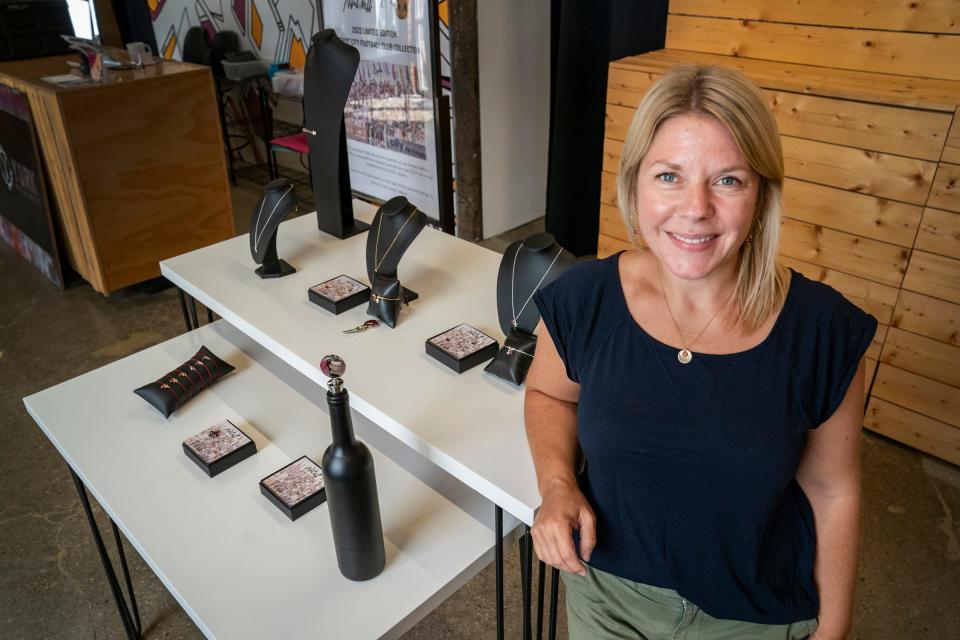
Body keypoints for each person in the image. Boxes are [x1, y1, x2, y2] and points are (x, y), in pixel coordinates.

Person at [525, 65, 876, 640]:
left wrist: (834, 630)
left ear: (761, 195)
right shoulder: (584, 300)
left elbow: (833, 489)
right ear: (634, 183)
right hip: (606, 595)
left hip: (754, 616)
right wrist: (557, 485)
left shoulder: (823, 331)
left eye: (728, 180)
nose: (695, 208)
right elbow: (547, 394)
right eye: (668, 176)